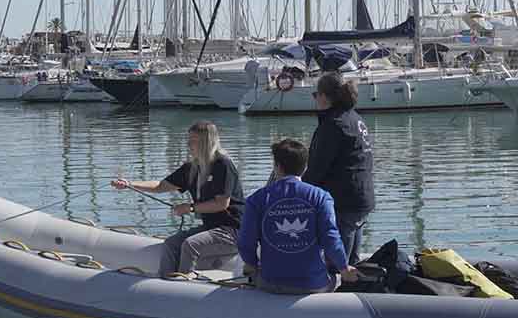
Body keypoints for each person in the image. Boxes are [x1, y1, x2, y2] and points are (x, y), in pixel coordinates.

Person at [111, 121, 244, 278]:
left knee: (190, 244)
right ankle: (165, 279)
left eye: (193, 141)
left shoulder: (223, 165)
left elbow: (222, 203)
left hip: (233, 230)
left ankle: (184, 282)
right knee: (171, 244)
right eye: (188, 140)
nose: (189, 145)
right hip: (211, 228)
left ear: (207, 142)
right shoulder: (191, 168)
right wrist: (130, 184)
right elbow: (160, 186)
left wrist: (190, 208)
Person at [238, 138, 356, 294]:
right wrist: (344, 268)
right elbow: (331, 238)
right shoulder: (321, 197)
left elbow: (246, 240)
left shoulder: (256, 199)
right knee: (336, 276)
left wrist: (250, 263)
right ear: (305, 167)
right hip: (314, 285)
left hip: (270, 283)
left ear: (277, 167)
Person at [301, 72, 375, 266]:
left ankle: (339, 284)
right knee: (352, 256)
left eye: (315, 94)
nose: (315, 98)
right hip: (361, 195)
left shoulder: (333, 125)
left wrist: (299, 191)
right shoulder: (355, 118)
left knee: (338, 263)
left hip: (344, 201)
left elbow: (317, 168)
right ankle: (354, 282)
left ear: (324, 97)